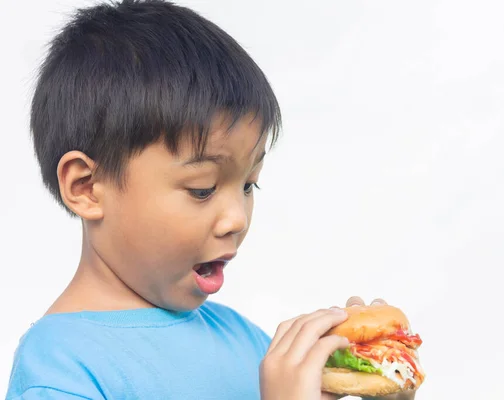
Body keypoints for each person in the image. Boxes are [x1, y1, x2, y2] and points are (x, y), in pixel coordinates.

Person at [6, 1, 415, 399]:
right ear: (87, 187)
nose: (237, 219)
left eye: (249, 185)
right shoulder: (61, 370)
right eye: (202, 189)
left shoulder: (248, 343)